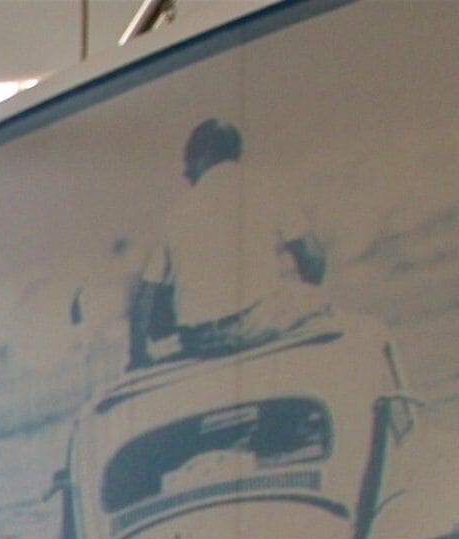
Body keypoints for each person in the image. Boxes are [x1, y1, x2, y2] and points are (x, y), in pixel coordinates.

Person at [134, 118, 328, 365]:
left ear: (203, 157)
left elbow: (145, 297)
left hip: (197, 338)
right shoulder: (266, 184)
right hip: (254, 324)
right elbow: (312, 258)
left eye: (187, 162)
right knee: (316, 298)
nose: (185, 172)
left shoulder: (177, 212)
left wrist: (138, 356)